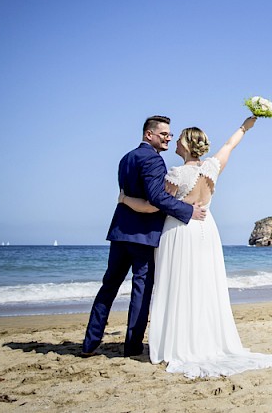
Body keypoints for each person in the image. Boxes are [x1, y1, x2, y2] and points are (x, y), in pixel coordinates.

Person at [119, 116, 272, 378]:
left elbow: (155, 205)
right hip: (207, 230)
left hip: (180, 231)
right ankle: (203, 339)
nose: (175, 142)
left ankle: (180, 343)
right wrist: (247, 125)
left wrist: (125, 200)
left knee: (179, 286)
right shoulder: (213, 167)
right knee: (203, 285)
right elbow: (230, 145)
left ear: (188, 146)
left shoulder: (176, 175)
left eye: (179, 139)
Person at [82, 116, 207, 357]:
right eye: (164, 134)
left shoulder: (126, 158)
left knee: (108, 287)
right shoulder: (153, 160)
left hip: (120, 232)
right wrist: (188, 211)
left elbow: (127, 193)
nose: (168, 138)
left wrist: (126, 201)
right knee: (141, 290)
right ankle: (132, 347)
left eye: (170, 135)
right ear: (149, 134)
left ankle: (90, 342)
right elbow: (156, 198)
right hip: (144, 236)